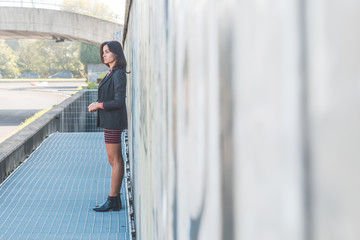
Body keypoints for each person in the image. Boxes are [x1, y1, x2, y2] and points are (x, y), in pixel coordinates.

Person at [88, 40, 128, 212]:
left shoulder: (118, 73)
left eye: (107, 51)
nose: (103, 54)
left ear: (116, 54)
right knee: (113, 160)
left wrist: (99, 105)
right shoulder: (111, 72)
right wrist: (98, 103)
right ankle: (114, 199)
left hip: (114, 120)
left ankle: (113, 199)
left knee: (115, 160)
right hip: (110, 120)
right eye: (103, 52)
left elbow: (119, 101)